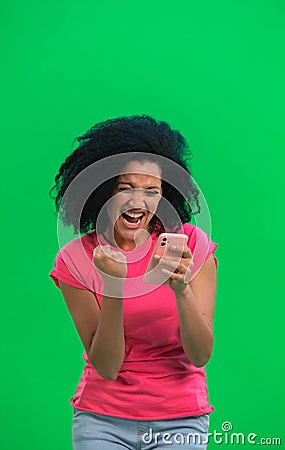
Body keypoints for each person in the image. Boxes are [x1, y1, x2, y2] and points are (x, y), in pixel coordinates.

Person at [48, 115, 218, 449]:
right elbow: (107, 367)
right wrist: (113, 285)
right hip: (102, 421)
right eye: (125, 188)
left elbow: (200, 355)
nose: (138, 202)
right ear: (103, 191)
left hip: (182, 419)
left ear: (164, 194)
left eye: (151, 191)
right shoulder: (75, 259)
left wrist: (180, 289)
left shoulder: (190, 245)